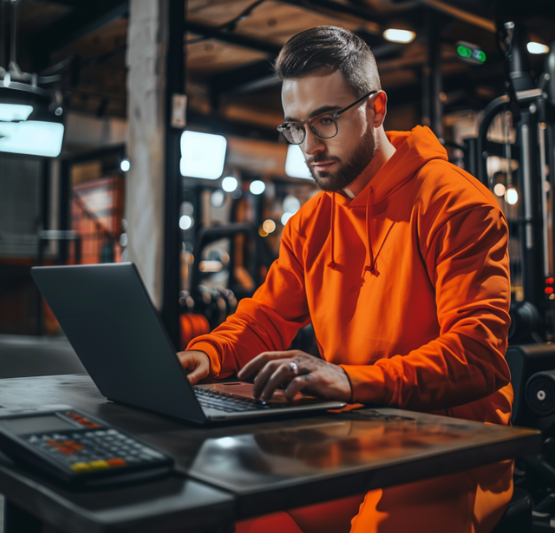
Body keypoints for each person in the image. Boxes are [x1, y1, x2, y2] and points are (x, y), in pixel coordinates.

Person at [177, 26, 513, 533]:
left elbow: (477, 354)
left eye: (326, 121)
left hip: (448, 448)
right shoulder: (313, 222)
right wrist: (207, 355)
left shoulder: (457, 205)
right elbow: (265, 317)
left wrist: (351, 380)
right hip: (349, 437)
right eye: (295, 127)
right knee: (225, 513)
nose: (309, 146)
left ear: (376, 109)